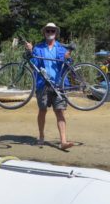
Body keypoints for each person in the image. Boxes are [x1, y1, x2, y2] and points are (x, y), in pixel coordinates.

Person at [25, 22, 74, 151]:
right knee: (42, 111)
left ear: (56, 33)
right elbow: (33, 64)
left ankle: (63, 141)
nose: (50, 33)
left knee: (60, 111)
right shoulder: (38, 48)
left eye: (52, 31)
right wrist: (30, 51)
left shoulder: (61, 48)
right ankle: (41, 136)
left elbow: (68, 65)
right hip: (43, 84)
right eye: (48, 31)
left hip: (59, 85)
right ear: (44, 33)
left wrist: (68, 58)